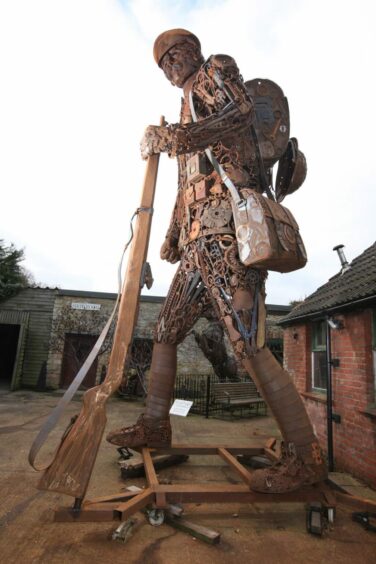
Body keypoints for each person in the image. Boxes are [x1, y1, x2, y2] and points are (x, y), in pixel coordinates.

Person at [107, 29, 326, 493]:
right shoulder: (185, 105)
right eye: (163, 63)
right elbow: (188, 184)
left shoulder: (215, 71)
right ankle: (155, 424)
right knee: (166, 328)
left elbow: (240, 112)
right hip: (196, 239)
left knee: (246, 340)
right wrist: (171, 237)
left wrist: (175, 137)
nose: (171, 65)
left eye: (175, 54)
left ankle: (305, 457)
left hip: (227, 230)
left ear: (194, 51)